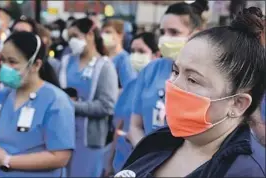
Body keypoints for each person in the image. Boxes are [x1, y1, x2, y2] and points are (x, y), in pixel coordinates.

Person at [115, 7, 266, 178]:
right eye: (176, 71)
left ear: (238, 103)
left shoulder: (246, 171)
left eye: (193, 80)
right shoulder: (158, 140)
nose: (173, 85)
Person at [129, 0, 209, 147]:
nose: (165, 38)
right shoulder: (151, 70)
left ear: (196, 35)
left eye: (174, 32)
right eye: (162, 32)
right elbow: (135, 126)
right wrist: (145, 155)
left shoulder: (208, 74)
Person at [0, 31, 75, 177]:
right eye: (3, 60)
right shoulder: (3, 95)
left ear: (36, 64)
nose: (5, 67)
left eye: (12, 62)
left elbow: (60, 156)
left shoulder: (56, 101)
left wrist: (8, 160)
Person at [58, 17, 118, 177]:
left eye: (75, 36)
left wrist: (72, 106)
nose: (72, 41)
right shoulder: (65, 62)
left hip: (89, 142)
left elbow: (107, 105)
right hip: (62, 138)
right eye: (69, 38)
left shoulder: (105, 66)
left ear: (90, 34)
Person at [106, 32, 160, 175]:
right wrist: (109, 162)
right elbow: (119, 125)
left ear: (156, 55)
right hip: (122, 161)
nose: (136, 56)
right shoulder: (130, 86)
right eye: (133, 51)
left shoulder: (161, 91)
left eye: (141, 51)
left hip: (147, 164)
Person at [101, 19, 136, 89]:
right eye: (102, 33)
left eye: (108, 32)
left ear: (120, 35)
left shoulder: (124, 59)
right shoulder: (102, 56)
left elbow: (129, 87)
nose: (103, 36)